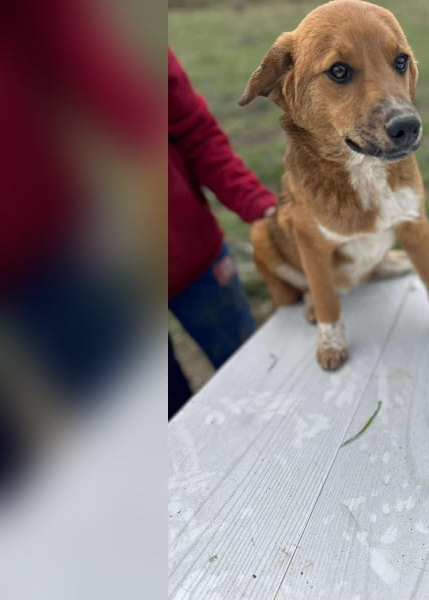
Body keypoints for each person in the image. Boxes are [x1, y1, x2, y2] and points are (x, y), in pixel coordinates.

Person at [168, 48, 278, 418]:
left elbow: (195, 133)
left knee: (254, 386)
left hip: (192, 259)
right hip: (71, 297)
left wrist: (260, 206)